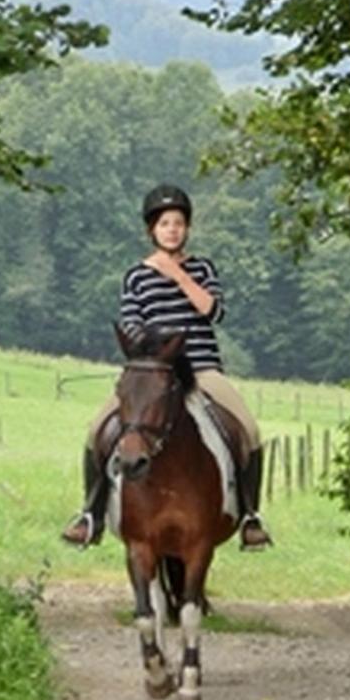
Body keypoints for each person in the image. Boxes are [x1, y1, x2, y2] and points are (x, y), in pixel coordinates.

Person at [60, 184, 272, 551]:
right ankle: (90, 513)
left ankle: (250, 516)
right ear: (151, 230)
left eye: (178, 223)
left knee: (249, 431)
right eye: (164, 223)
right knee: (97, 430)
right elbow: (131, 325)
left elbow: (213, 311)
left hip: (202, 369)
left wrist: (179, 276)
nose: (172, 229)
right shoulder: (136, 276)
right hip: (152, 374)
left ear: (187, 229)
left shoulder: (203, 268)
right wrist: (154, 358)